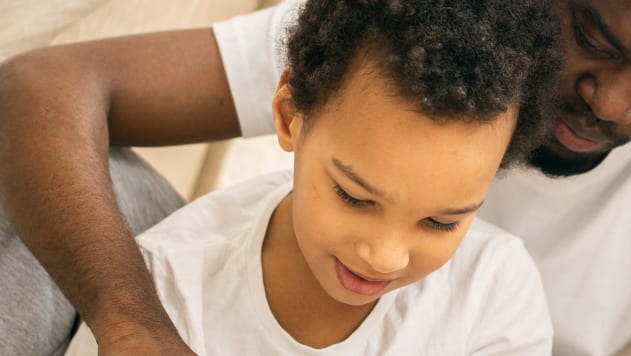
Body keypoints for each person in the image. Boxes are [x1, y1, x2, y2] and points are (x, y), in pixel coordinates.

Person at [0, 0, 631, 355]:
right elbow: (43, 90)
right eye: (592, 37)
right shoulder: (406, 32)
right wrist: (131, 321)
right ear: (294, 115)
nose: (609, 98)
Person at [60, 0, 561, 354]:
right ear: (288, 114)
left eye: (440, 222)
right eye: (355, 197)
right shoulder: (166, 295)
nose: (385, 256)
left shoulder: (494, 294)